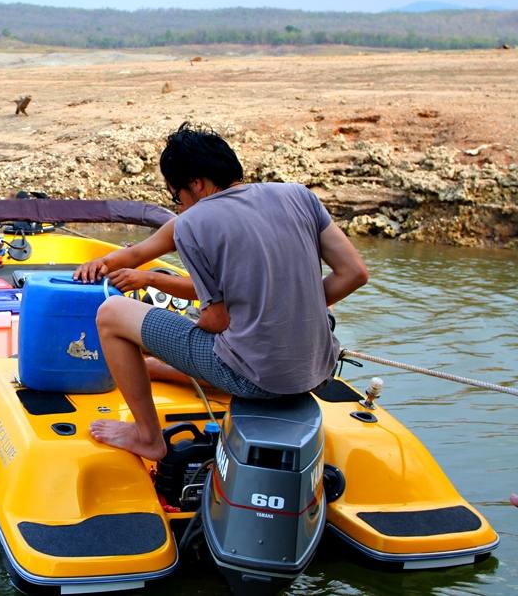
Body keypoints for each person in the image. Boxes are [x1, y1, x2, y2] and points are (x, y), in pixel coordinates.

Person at [74, 123, 368, 461]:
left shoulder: (194, 223)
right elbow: (354, 274)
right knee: (230, 341)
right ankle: (156, 368)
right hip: (317, 370)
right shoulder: (297, 195)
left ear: (196, 184)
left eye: (177, 196)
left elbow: (216, 320)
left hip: (254, 379)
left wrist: (173, 321)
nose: (180, 205)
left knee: (112, 315)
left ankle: (147, 437)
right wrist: (287, 306)